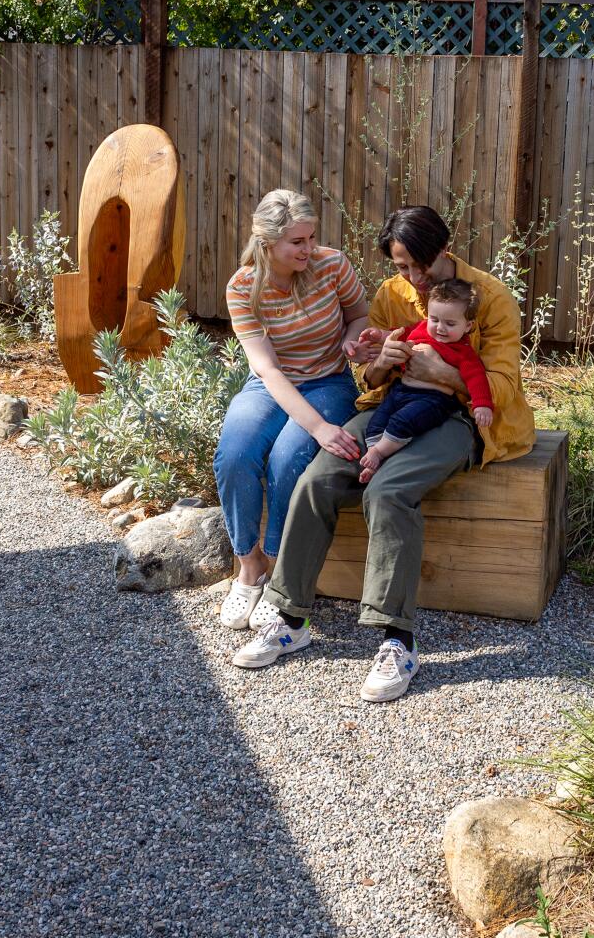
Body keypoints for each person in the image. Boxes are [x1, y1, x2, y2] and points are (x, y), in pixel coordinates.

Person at [230, 205, 536, 703]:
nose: (413, 278)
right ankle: (290, 618)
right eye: (401, 267)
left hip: (460, 418)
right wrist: (381, 361)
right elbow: (368, 378)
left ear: (444, 249)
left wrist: (437, 372)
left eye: (422, 266)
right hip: (391, 408)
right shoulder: (392, 295)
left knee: (389, 492)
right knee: (319, 478)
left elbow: (498, 388)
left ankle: (398, 640)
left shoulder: (490, 297)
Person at [211, 190, 366, 632]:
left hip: (328, 381)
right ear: (267, 245)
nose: (308, 249)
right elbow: (267, 369)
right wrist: (318, 427)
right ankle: (249, 566)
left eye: (311, 237)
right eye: (297, 242)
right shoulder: (243, 287)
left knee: (287, 460)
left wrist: (352, 339)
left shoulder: (332, 265)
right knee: (235, 455)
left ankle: (279, 570)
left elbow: (359, 312)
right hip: (270, 384)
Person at [357, 277, 494, 484]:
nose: (440, 328)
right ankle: (378, 459)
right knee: (377, 422)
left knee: (401, 422)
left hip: (433, 399)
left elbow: (477, 379)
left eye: (450, 323)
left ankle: (378, 453)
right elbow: (400, 335)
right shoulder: (420, 329)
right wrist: (379, 335)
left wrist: (483, 405)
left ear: (468, 326)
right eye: (434, 319)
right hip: (400, 390)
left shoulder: (463, 352)